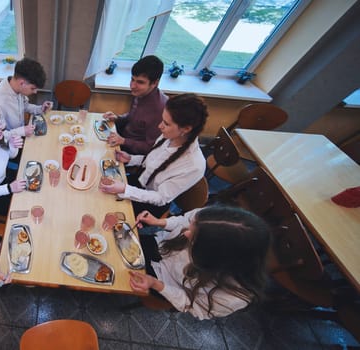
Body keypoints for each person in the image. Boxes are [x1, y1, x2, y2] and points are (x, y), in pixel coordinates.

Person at [128, 205, 271, 320]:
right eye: (192, 225)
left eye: (194, 239)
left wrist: (156, 284)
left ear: (214, 259)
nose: (185, 233)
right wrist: (159, 222)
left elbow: (191, 305)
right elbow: (184, 220)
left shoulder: (233, 296)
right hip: (162, 246)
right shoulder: (210, 219)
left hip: (166, 282)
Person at [99, 93, 208, 217]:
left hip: (150, 204)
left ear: (186, 129)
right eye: (162, 120)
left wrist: (126, 189)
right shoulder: (171, 135)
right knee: (100, 188)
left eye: (166, 124)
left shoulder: (194, 165)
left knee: (105, 211)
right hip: (139, 182)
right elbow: (154, 161)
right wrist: (131, 159)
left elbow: (161, 197)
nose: (160, 126)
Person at [103, 55, 168, 155]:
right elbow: (133, 116)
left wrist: (124, 141)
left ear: (155, 83)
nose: (132, 86)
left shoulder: (160, 109)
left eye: (140, 82)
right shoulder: (140, 92)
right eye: (132, 79)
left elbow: (151, 147)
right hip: (122, 138)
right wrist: (118, 118)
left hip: (131, 154)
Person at [0, 57, 53, 138]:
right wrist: (21, 132)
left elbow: (25, 106)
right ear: (22, 83)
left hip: (20, 135)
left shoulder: (16, 86)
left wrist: (40, 109)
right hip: (8, 145)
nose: (35, 92)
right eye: (33, 88)